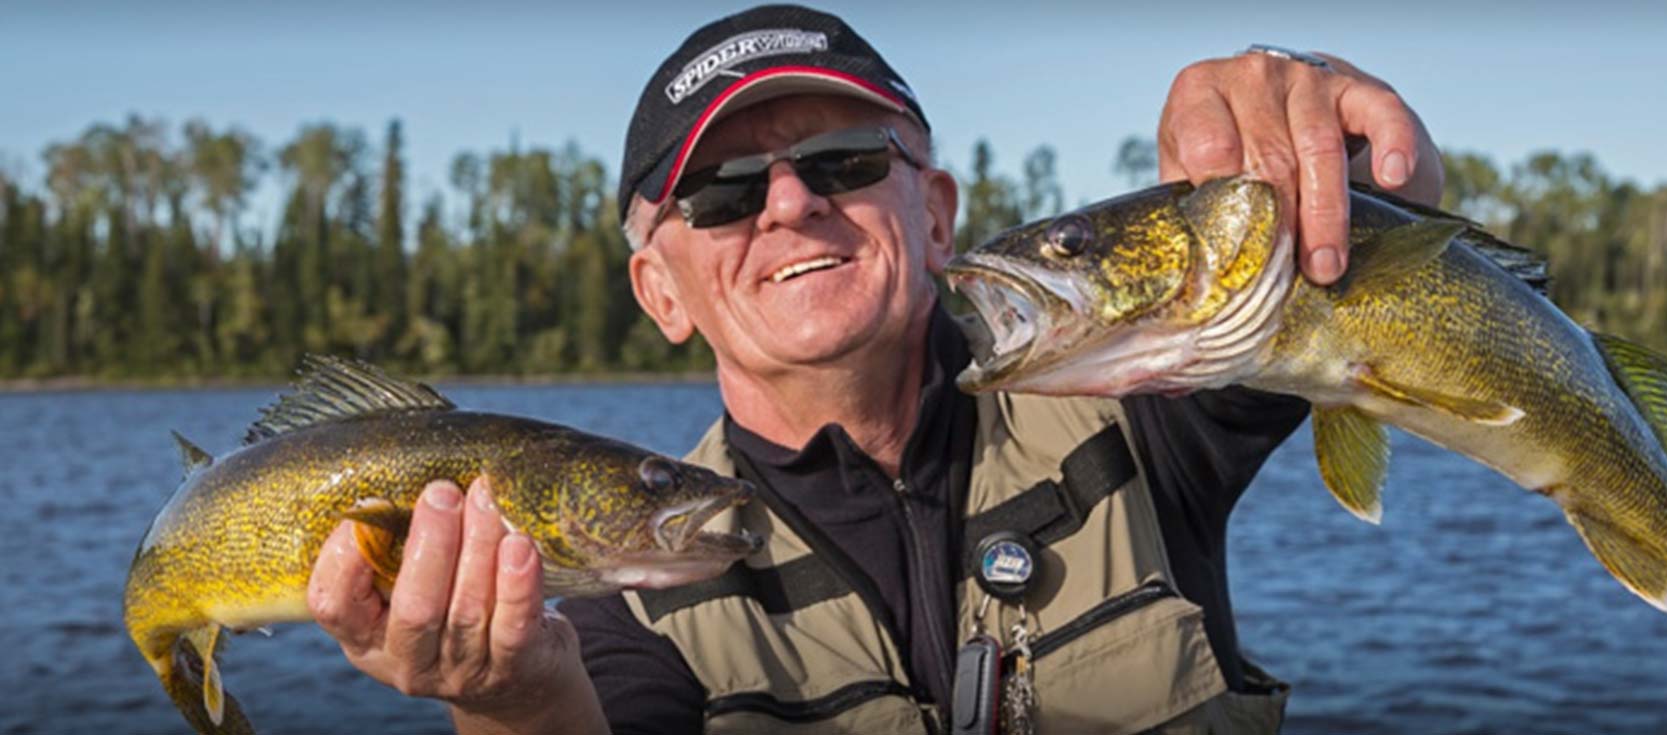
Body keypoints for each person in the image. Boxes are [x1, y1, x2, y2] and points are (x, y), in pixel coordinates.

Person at [305, 5, 1443, 734]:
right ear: (660, 290)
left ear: (937, 216)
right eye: (724, 196)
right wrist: (514, 703)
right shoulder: (624, 573)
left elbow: (1354, 269)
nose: (792, 205)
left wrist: (1324, 126)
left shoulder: (1139, 394)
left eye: (842, 162)